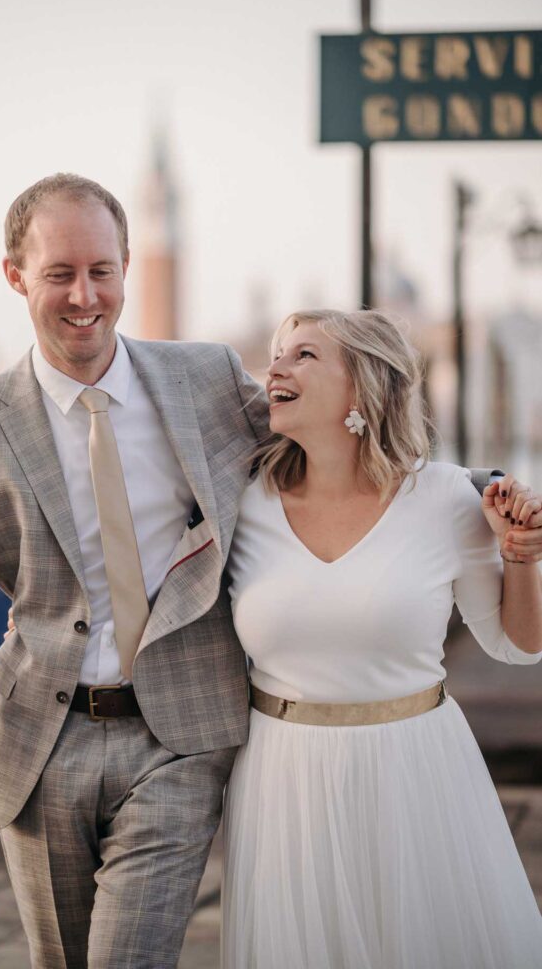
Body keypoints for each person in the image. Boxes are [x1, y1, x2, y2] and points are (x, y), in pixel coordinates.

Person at [0, 173, 269, 968]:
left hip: (179, 736)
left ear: (123, 266)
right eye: (59, 274)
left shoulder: (207, 379)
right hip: (41, 748)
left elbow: (321, 455)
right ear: (16, 276)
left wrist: (476, 497)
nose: (84, 296)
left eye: (101, 271)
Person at [221, 308, 542, 969]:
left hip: (416, 770)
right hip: (283, 778)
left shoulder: (447, 498)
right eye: (277, 354)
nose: (274, 367)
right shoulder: (242, 503)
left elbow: (518, 646)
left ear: (361, 386)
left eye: (303, 355)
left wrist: (520, 557)